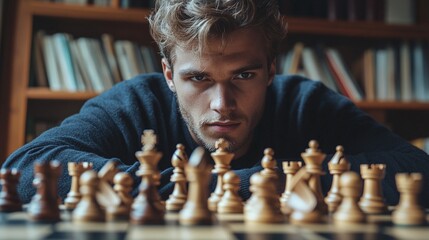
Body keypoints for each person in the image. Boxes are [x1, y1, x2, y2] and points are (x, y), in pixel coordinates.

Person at [3, 0, 429, 207]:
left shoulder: (305, 103)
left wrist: (269, 183)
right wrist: (246, 186)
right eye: (198, 78)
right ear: (169, 75)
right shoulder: (136, 103)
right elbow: (23, 167)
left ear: (270, 70)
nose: (222, 103)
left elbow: (418, 169)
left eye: (245, 75)